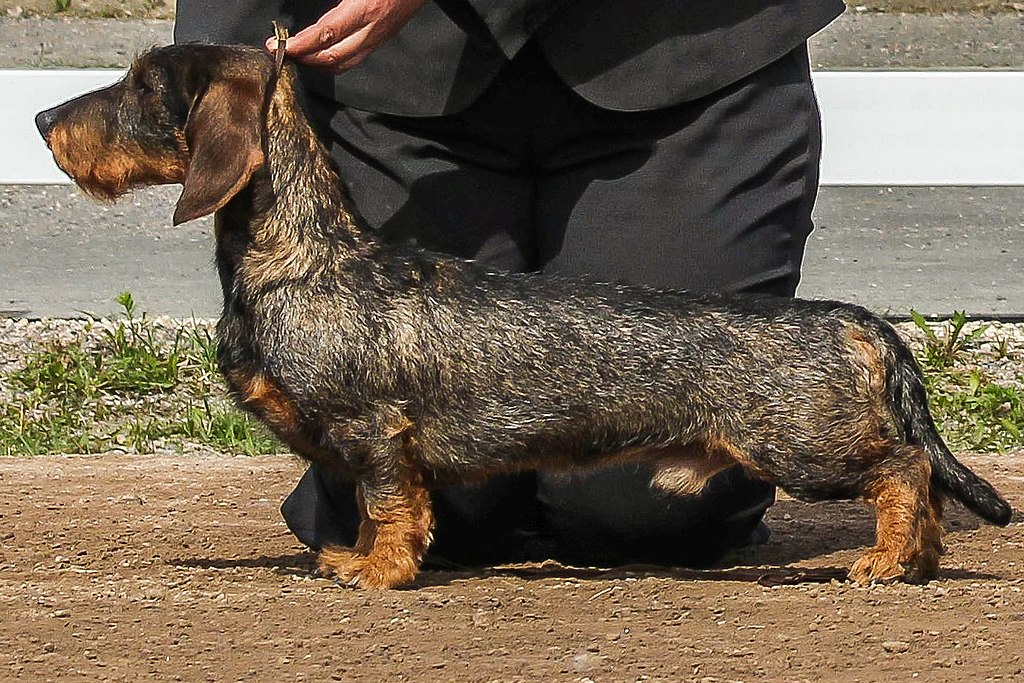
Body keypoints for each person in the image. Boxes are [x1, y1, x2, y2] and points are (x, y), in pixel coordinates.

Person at [175, 0, 846, 567]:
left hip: (680, 51)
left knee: (651, 510)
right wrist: (210, 79)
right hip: (382, 73)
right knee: (444, 503)